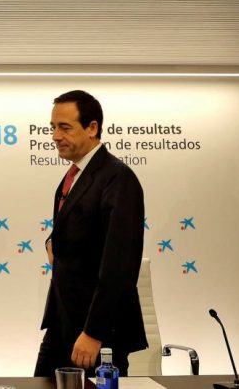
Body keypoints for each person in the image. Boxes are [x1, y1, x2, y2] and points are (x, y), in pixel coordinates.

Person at [34, 90, 147, 377]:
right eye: (53, 127)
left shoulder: (117, 177)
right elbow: (81, 229)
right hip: (62, 324)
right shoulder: (74, 175)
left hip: (95, 334)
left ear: (92, 128)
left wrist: (94, 332)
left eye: (65, 127)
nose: (55, 136)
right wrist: (53, 243)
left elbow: (120, 265)